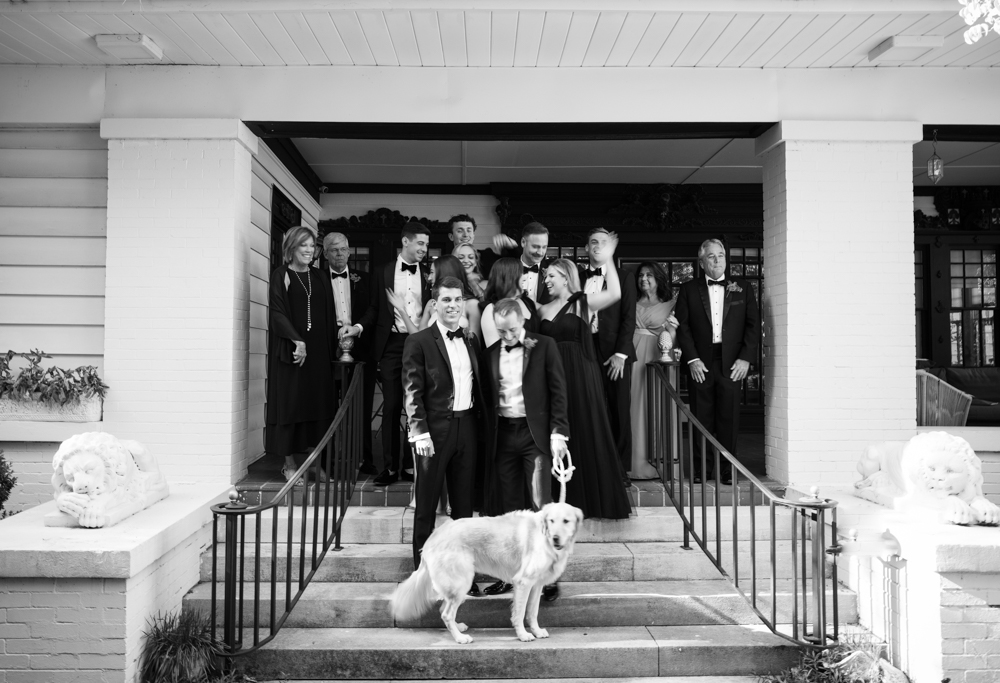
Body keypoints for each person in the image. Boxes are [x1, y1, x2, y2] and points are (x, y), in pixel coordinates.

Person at [479, 298, 570, 599]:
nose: (508, 337)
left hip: (536, 436)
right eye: (501, 331)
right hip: (503, 435)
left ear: (523, 321)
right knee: (509, 509)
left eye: (513, 330)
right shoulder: (490, 353)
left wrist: (559, 433)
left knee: (541, 505)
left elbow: (558, 391)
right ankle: (509, 574)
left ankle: (548, 577)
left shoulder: (544, 345)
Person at [537, 251, 632, 520]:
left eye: (551, 275)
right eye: (545, 276)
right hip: (550, 375)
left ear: (566, 277)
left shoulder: (583, 303)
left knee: (584, 428)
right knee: (555, 432)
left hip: (580, 374)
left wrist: (609, 258)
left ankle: (588, 501)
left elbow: (614, 293)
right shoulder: (541, 308)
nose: (547, 280)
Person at [402, 276, 484, 580]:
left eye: (457, 299)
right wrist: (419, 431)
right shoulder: (419, 341)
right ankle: (423, 574)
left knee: (464, 511)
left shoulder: (470, 339)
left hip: (467, 428)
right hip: (433, 433)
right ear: (435, 304)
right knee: (426, 507)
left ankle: (464, 575)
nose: (453, 305)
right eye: (446, 300)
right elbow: (412, 390)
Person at [674, 239, 760, 485]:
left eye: (720, 255)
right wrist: (692, 359)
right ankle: (702, 469)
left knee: (728, 418)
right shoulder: (689, 289)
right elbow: (684, 327)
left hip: (732, 363)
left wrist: (745, 359)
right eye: (711, 256)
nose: (717, 260)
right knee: (701, 418)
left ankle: (726, 469)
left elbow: (753, 326)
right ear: (701, 262)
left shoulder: (743, 287)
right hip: (700, 362)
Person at [357, 222, 431, 486]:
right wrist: (358, 326)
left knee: (415, 406)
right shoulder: (383, 272)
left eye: (426, 244)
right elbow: (375, 308)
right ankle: (390, 468)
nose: (424, 248)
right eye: (420, 243)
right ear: (406, 242)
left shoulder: (430, 273)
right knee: (391, 406)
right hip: (390, 344)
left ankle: (411, 465)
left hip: (421, 344)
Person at [265, 226, 337, 481]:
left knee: (315, 405)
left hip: (317, 353)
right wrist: (297, 340)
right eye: (303, 245)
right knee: (290, 405)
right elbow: (277, 312)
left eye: (311, 246)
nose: (309, 250)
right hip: (291, 351)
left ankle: (313, 462)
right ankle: (289, 464)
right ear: (291, 248)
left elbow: (330, 316)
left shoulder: (319, 277)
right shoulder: (281, 274)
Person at [579, 228, 637, 480]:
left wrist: (621, 354)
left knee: (618, 410)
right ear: (586, 248)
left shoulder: (624, 278)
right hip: (583, 350)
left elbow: (628, 318)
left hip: (615, 353)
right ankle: (591, 466)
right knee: (588, 408)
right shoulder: (576, 276)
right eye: (593, 242)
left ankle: (619, 469)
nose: (598, 246)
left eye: (604, 242)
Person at [324, 232, 378, 476]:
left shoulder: (364, 279)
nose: (340, 254)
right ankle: (328, 463)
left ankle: (363, 458)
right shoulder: (318, 279)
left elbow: (373, 309)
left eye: (344, 249)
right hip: (327, 351)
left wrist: (357, 329)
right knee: (327, 407)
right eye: (334, 249)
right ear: (325, 253)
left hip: (361, 350)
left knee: (361, 406)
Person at [629, 262, 678, 480]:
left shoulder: (671, 305)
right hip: (633, 358)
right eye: (641, 275)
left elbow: (673, 339)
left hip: (658, 357)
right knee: (634, 406)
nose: (644, 279)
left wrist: (672, 332)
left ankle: (661, 465)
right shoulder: (629, 303)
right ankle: (636, 466)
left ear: (658, 278)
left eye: (649, 275)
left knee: (658, 406)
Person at [493, 221, 554, 306]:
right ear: (523, 242)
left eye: (544, 247)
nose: (540, 252)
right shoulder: (507, 267)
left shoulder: (553, 269)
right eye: (535, 246)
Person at [479, 257, 537, 348]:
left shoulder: (527, 302)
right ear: (510, 277)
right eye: (521, 273)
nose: (525, 277)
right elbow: (494, 351)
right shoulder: (491, 309)